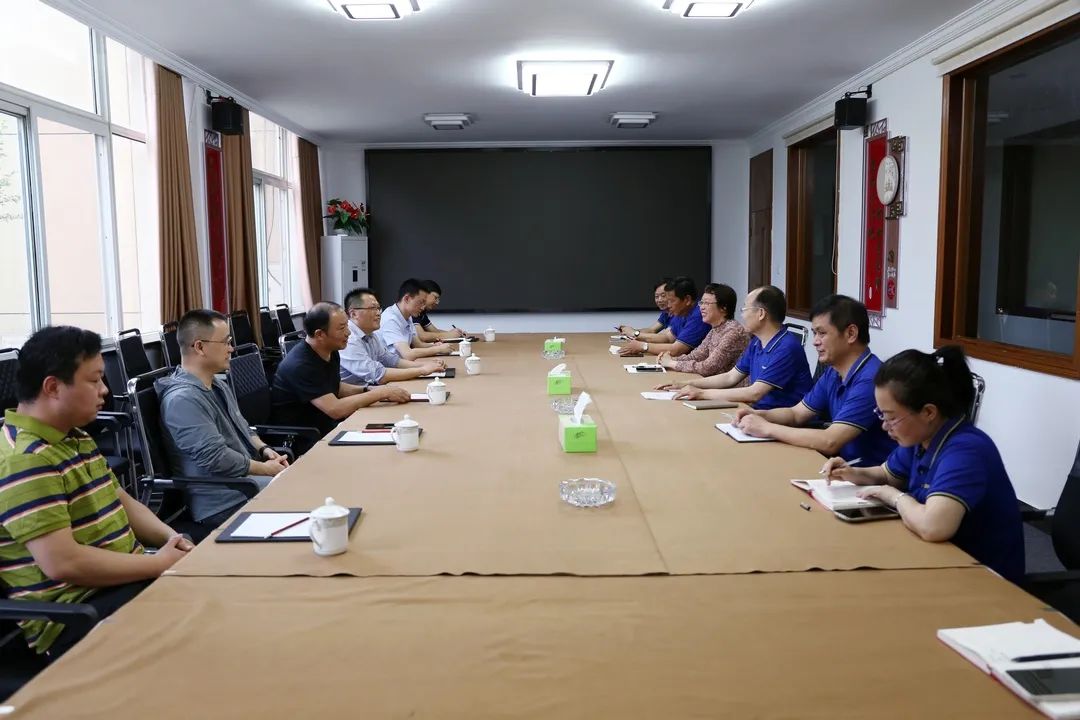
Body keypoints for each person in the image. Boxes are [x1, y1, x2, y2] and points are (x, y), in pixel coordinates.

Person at [0, 326, 192, 657]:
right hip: (76, 616)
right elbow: (64, 563)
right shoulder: (25, 459)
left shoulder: (75, 436)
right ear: (53, 387)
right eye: (94, 380)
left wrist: (171, 539)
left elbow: (123, 501)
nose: (104, 390)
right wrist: (158, 564)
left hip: (121, 586)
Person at [821, 346, 1024, 582]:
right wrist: (851, 472)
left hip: (983, 580)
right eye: (881, 414)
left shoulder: (966, 450)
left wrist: (894, 497)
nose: (885, 426)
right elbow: (886, 474)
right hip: (938, 560)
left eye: (891, 417)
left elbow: (932, 526)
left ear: (928, 412)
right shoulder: (922, 437)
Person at [157, 309, 286, 528]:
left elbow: (242, 426)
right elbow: (216, 458)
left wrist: (264, 449)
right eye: (225, 342)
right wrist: (267, 469)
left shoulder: (216, 383)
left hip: (247, 485)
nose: (231, 348)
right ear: (199, 347)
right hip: (223, 503)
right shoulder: (182, 400)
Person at [731, 295, 896, 466]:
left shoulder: (871, 379)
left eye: (822, 333)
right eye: (814, 333)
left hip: (868, 476)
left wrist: (766, 428)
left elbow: (830, 441)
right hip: (842, 468)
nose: (815, 342)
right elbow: (796, 414)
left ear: (851, 333)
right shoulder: (833, 372)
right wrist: (759, 415)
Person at [271, 302, 410, 439]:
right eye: (342, 328)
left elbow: (335, 385)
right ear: (320, 334)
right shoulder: (301, 365)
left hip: (327, 426)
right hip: (302, 437)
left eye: (347, 326)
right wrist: (380, 393)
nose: (348, 332)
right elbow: (335, 409)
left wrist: (367, 389)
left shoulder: (330, 350)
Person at [668, 285, 812, 409]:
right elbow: (730, 377)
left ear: (761, 314)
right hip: (757, 412)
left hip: (781, 420)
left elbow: (754, 393)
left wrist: (701, 393)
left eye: (745, 309)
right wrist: (685, 384)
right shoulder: (757, 342)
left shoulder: (786, 347)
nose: (742, 315)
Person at [341, 287, 445, 385]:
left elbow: (390, 360)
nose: (378, 313)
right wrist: (422, 370)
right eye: (373, 308)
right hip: (355, 394)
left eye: (378, 308)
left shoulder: (370, 335)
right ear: (353, 314)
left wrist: (424, 365)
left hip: (371, 387)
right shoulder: (349, 339)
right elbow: (378, 375)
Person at [657, 283, 749, 377]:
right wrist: (670, 359)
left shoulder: (733, 332)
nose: (701, 307)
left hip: (730, 386)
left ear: (723, 307)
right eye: (701, 303)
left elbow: (708, 367)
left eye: (707, 303)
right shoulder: (715, 329)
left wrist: (672, 363)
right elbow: (696, 356)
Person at [619, 276, 710, 357]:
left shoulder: (699, 315)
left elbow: (677, 350)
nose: (668, 305)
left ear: (687, 300)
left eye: (671, 301)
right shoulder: (682, 311)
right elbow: (668, 338)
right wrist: (638, 342)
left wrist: (642, 346)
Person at [376, 278, 454, 362]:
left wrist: (435, 346)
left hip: (402, 364)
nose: (423, 307)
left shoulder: (408, 316)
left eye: (424, 303)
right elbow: (408, 354)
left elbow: (418, 344)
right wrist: (438, 349)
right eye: (421, 302)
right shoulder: (390, 319)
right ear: (407, 299)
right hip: (389, 367)